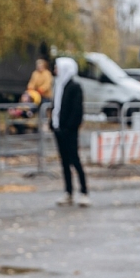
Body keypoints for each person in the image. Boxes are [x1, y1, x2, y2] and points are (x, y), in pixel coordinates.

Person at [51, 57, 90, 207]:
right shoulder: (59, 85)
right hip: (59, 129)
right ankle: (68, 192)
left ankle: (84, 191)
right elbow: (56, 107)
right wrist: (53, 124)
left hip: (69, 131)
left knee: (75, 160)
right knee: (64, 162)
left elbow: (76, 111)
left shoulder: (74, 86)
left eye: (57, 68)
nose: (55, 70)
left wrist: (68, 127)